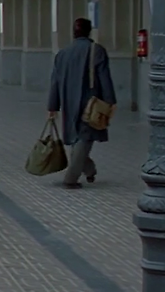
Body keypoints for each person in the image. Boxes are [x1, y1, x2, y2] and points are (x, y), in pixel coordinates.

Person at [47, 18, 117, 188]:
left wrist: (52, 106)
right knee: (84, 138)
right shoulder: (96, 50)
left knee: (77, 137)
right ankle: (70, 179)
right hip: (90, 102)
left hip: (68, 101)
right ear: (89, 31)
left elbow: (55, 81)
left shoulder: (62, 54)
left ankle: (89, 169)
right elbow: (104, 77)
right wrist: (110, 101)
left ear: (74, 32)